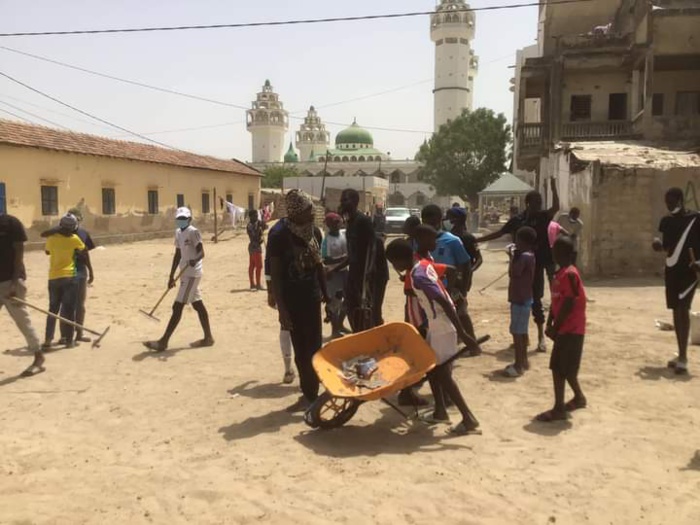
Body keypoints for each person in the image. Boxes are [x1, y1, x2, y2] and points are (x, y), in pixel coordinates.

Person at [385, 229, 481, 435]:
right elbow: (448, 275)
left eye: (394, 264)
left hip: (443, 326)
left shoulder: (418, 275)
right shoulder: (424, 265)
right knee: (433, 368)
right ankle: (440, 411)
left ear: (399, 261)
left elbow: (443, 301)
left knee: (443, 374)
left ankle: (468, 418)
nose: (395, 268)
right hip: (436, 325)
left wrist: (464, 333)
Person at [477, 179, 559, 353]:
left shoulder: (543, 216)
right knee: (518, 300)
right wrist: (476, 240)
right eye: (536, 202)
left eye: (540, 202)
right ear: (528, 203)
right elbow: (499, 233)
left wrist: (553, 187)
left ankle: (540, 337)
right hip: (519, 265)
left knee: (536, 300)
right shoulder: (518, 220)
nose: (539, 205)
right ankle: (523, 336)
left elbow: (556, 207)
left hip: (537, 266)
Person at [269, 190, 328, 411]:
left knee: (315, 347)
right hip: (291, 300)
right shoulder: (278, 235)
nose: (312, 214)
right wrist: (281, 309)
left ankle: (312, 391)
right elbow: (275, 273)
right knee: (301, 349)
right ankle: (308, 392)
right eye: (307, 210)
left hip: (312, 297)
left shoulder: (314, 231)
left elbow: (319, 264)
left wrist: (327, 296)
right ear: (295, 212)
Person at [144, 207, 214, 352]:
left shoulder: (193, 232)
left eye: (184, 219)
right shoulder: (178, 233)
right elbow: (177, 255)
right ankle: (208, 338)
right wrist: (171, 276)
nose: (181, 221)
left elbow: (202, 252)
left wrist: (195, 259)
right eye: (179, 219)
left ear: (189, 219)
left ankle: (163, 342)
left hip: (192, 273)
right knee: (198, 305)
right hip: (184, 272)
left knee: (177, 307)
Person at [536, 236, 587, 422]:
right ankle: (579, 397)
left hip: (571, 329)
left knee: (559, 368)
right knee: (566, 368)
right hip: (563, 328)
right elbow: (556, 302)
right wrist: (550, 323)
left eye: (556, 250)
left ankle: (559, 408)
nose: (553, 253)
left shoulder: (570, 274)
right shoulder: (559, 274)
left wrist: (555, 327)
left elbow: (568, 302)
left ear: (564, 254)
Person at [653, 187, 700, 375]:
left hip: (689, 271)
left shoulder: (695, 219)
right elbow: (666, 247)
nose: (669, 205)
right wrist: (658, 246)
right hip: (671, 270)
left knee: (683, 308)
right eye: (667, 202)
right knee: (675, 309)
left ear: (680, 200)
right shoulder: (666, 221)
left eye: (671, 201)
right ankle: (681, 352)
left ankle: (683, 358)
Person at [421, 204, 479, 354]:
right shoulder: (420, 241)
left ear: (440, 220)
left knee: (460, 314)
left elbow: (466, 265)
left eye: (433, 222)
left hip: (451, 287)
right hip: (431, 289)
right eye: (427, 223)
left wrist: (463, 289)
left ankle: (472, 345)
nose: (431, 227)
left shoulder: (453, 241)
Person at [41, 207, 96, 343]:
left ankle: (78, 333)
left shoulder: (83, 234)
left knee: (79, 305)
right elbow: (45, 235)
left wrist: (90, 271)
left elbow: (86, 253)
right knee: (67, 306)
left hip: (79, 271)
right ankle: (65, 336)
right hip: (68, 273)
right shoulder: (57, 233)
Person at [0, 213, 44, 376]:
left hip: (11, 283)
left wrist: (14, 282)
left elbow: (19, 252)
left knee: (22, 322)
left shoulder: (11, 222)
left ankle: (38, 357)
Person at [340, 189, 389, 332]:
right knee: (352, 306)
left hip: (372, 274)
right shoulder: (350, 222)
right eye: (342, 200)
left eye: (346, 200)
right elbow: (353, 253)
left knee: (372, 311)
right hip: (357, 273)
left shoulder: (363, 221)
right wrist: (335, 268)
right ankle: (360, 337)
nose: (343, 203)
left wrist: (368, 275)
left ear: (355, 201)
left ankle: (379, 342)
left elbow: (373, 248)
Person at [264, 219, 295, 385]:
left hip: (305, 289)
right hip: (285, 288)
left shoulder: (312, 229)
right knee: (286, 325)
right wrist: (271, 291)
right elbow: (269, 262)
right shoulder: (278, 232)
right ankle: (288, 368)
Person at [504, 227, 537, 377]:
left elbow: (514, 273)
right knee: (522, 332)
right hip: (524, 297)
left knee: (517, 333)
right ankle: (523, 361)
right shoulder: (530, 255)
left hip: (520, 299)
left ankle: (518, 365)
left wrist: (511, 257)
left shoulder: (524, 257)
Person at [321, 212, 350, 339]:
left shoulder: (343, 234)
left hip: (345, 273)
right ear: (329, 225)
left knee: (347, 300)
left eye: (339, 222)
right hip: (333, 274)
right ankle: (334, 330)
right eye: (335, 222)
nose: (338, 224)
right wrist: (343, 259)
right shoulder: (327, 240)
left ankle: (340, 324)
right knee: (334, 303)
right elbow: (326, 260)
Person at [447, 206, 483, 286]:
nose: (448, 221)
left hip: (461, 281)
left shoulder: (469, 238)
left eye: (450, 218)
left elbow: (479, 259)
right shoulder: (446, 237)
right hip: (447, 278)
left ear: (457, 220)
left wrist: (469, 271)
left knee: (459, 297)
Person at [246, 209, 267, 291]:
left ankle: (253, 284)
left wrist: (263, 225)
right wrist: (259, 227)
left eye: (257, 215)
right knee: (258, 266)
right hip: (254, 247)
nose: (256, 217)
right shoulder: (249, 226)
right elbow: (254, 236)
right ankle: (256, 284)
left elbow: (264, 227)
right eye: (255, 216)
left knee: (253, 265)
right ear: (251, 217)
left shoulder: (257, 223)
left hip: (255, 246)